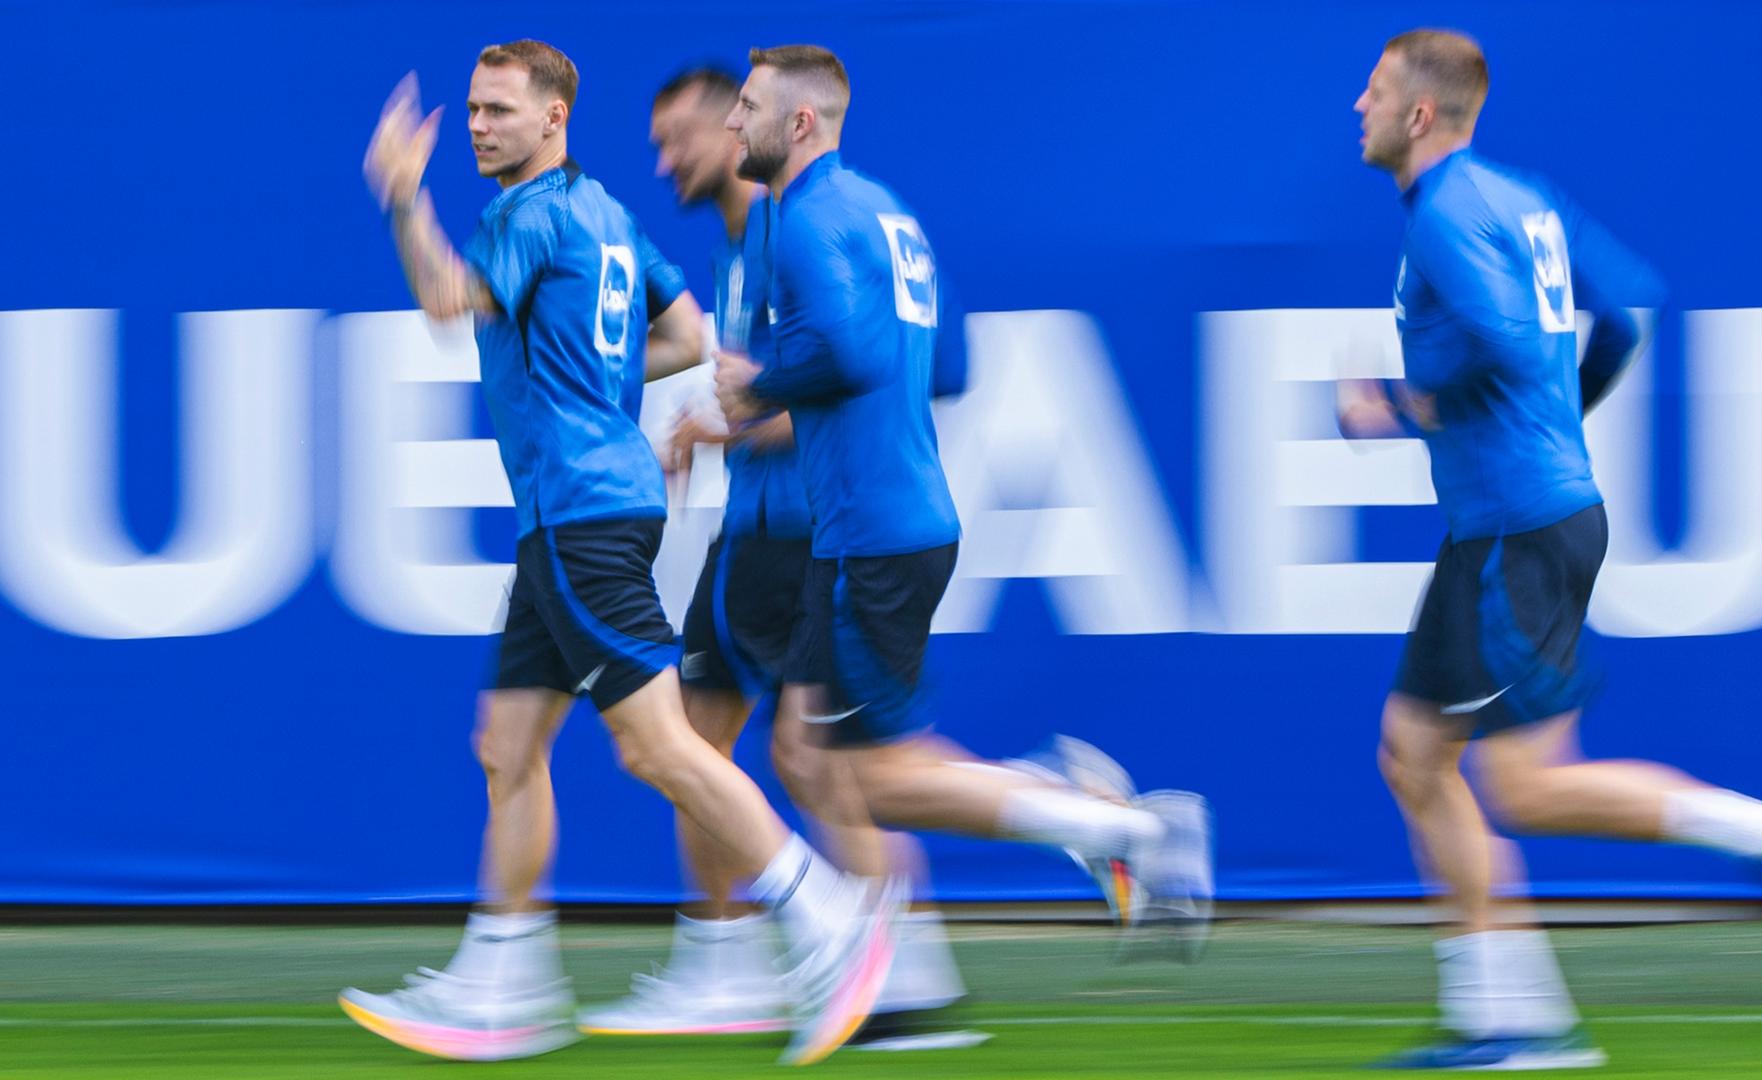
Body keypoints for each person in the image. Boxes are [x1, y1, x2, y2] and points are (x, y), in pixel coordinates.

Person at [339, 40, 896, 1067]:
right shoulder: (603, 215)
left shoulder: (530, 213)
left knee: (659, 747)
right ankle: (503, 980)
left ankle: (826, 918)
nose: (477, 125)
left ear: (554, 119)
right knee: (507, 744)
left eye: (500, 109)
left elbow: (442, 300)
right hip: (572, 512)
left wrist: (401, 197)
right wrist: (595, 379)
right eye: (471, 108)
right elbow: (686, 336)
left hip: (584, 517)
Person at [1342, 28, 1762, 1070]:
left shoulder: (1450, 213)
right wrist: (1560, 418)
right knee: (1414, 756)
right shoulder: (1518, 195)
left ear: (1418, 114)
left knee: (1535, 787)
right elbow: (1625, 311)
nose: (1353, 109)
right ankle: (1510, 1017)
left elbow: (1500, 338)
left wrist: (1402, 404)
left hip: (1516, 530)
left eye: (1369, 93)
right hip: (1511, 522)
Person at [712, 44, 1216, 960]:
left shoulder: (803, 219)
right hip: (889, 522)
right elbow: (946, 364)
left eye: (745, 107)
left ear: (800, 124)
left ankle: (1120, 830)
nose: (729, 124)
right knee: (815, 757)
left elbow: (849, 354)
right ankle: (903, 976)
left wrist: (758, 383)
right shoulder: (884, 210)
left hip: (872, 532)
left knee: (867, 778)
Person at [575, 65, 980, 1049]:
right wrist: (720, 419)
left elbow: (926, 365)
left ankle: (894, 968)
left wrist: (753, 413)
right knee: (712, 743)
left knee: (809, 760)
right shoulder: (761, 230)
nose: (665, 159)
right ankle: (748, 963)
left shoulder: (800, 224)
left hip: (811, 529)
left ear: (742, 128)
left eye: (684, 135)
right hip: (756, 530)